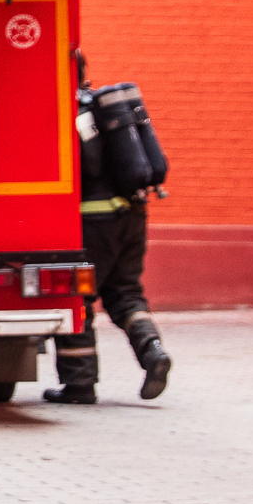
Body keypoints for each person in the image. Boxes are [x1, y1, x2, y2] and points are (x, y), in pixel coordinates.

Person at [47, 56, 173, 404]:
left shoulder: (69, 112)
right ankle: (153, 352)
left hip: (93, 222)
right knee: (125, 292)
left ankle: (79, 385)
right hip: (132, 213)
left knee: (77, 297)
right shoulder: (105, 110)